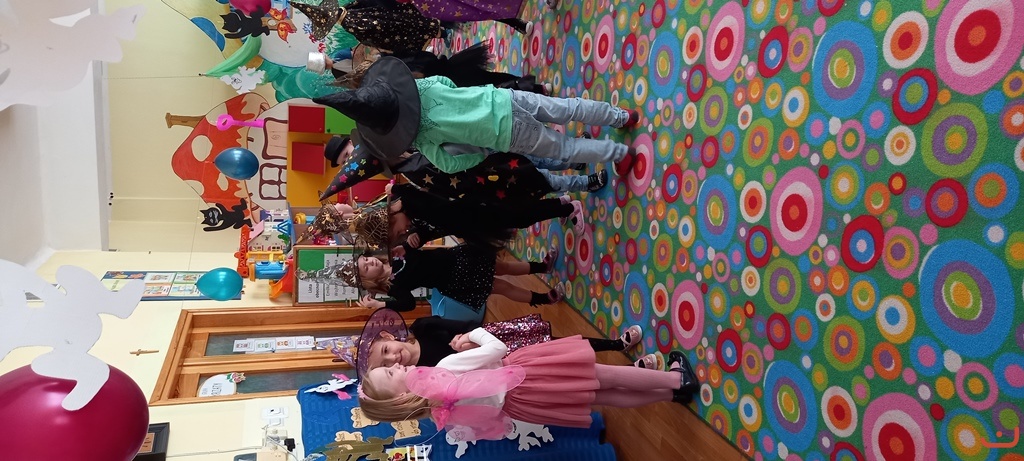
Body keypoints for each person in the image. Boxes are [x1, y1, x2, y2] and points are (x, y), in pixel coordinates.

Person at [313, 56, 641, 178]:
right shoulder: (420, 87)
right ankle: (621, 116)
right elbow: (445, 82)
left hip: (503, 133)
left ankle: (620, 153)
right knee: (566, 108)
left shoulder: (419, 138)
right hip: (501, 97)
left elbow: (449, 165)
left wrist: (480, 153)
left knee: (564, 148)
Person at [356, 325, 699, 433]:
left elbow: (489, 415)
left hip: (526, 405)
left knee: (603, 398)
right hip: (529, 375)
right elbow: (498, 348)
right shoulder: (444, 369)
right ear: (398, 397)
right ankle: (676, 380)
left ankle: (672, 395)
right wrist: (473, 334)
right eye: (390, 372)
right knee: (604, 375)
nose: (397, 366)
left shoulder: (439, 417)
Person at [358, 311, 644, 374]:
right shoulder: (419, 374)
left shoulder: (423, 327)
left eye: (386, 351)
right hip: (503, 369)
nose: (393, 358)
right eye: (385, 365)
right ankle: (627, 372)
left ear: (388, 337)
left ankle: (615, 345)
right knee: (564, 366)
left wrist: (466, 338)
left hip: (499, 341)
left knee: (563, 345)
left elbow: (468, 324)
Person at [333, 244, 567, 312]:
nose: (370, 262)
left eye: (366, 260)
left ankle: (542, 267)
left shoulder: (392, 255)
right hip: (456, 279)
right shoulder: (394, 286)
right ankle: (545, 298)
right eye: (366, 268)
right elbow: (408, 304)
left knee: (502, 266)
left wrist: (407, 244)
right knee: (502, 286)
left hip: (457, 258)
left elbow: (414, 246)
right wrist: (381, 305)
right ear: (368, 281)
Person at [293, 0, 444, 53]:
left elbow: (372, 30)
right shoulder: (349, 8)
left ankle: (438, 31)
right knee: (412, 20)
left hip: (390, 26)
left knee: (411, 27)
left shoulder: (349, 23)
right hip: (392, 14)